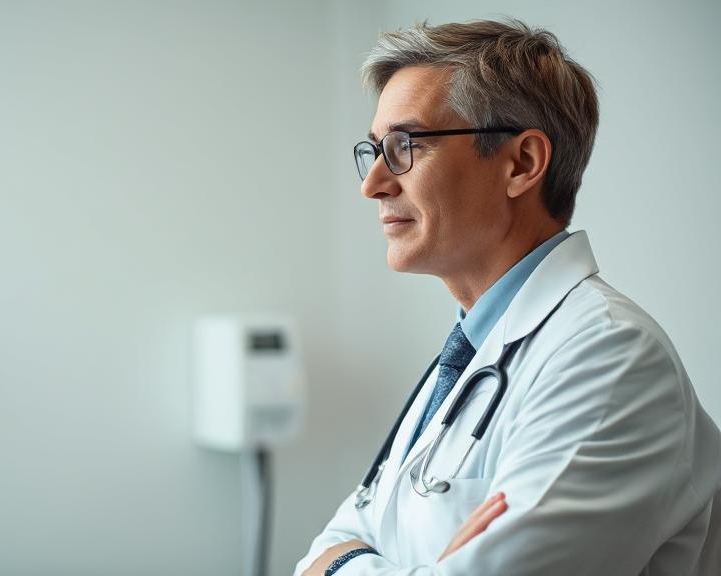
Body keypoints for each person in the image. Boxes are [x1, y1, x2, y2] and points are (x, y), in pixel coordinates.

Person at [295, 18, 721, 576]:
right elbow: (325, 546)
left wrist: (343, 564)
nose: (372, 183)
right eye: (374, 150)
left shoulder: (610, 359)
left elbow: (334, 556)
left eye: (403, 146)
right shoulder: (471, 353)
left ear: (521, 164)